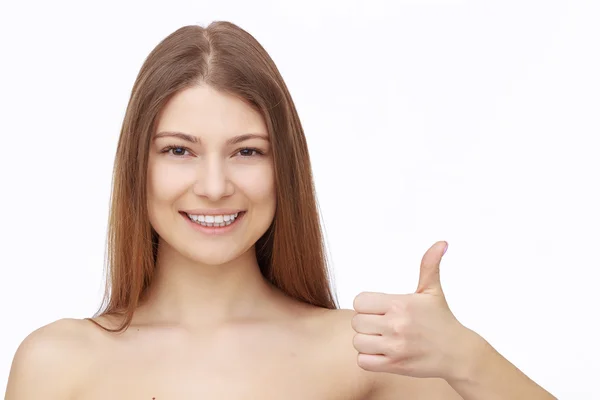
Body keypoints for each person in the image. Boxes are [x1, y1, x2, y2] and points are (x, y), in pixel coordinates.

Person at [5, 21, 556, 399]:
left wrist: (466, 356)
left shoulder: (363, 353)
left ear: (284, 168)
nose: (215, 186)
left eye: (247, 151)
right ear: (136, 168)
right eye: (179, 150)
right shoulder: (56, 363)